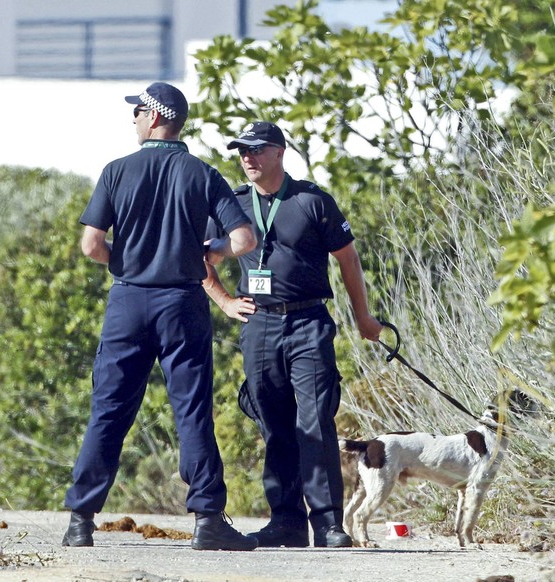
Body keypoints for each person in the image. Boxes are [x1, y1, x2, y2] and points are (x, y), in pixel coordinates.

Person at [63, 82, 259, 551]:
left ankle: (80, 521)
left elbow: (91, 244)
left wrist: (124, 260)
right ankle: (208, 521)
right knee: (191, 411)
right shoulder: (202, 173)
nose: (132, 120)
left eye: (136, 114)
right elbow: (245, 240)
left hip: (129, 301)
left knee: (109, 410)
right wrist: (208, 251)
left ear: (153, 117)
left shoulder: (116, 171)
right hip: (182, 301)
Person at [203, 121, 383, 548]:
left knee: (316, 422)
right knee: (274, 424)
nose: (248, 158)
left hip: (307, 322)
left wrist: (364, 319)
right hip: (258, 324)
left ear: (279, 152)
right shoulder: (232, 204)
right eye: (242, 151)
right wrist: (225, 301)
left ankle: (327, 524)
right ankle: (285, 520)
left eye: (256, 149)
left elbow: (348, 259)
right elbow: (199, 255)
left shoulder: (311, 200)